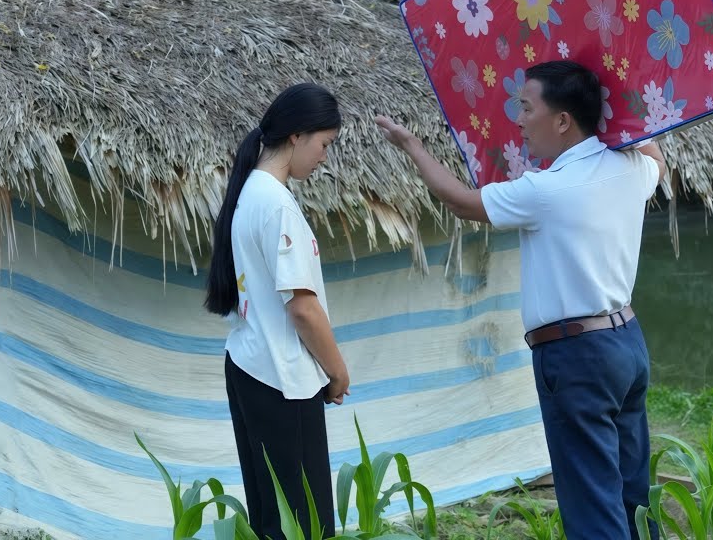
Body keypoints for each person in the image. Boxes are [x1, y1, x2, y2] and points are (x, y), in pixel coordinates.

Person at [375, 60, 666, 539]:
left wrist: (411, 146)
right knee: (632, 492)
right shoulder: (631, 170)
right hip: (627, 344)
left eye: (526, 108)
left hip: (577, 356)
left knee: (592, 500)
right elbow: (657, 158)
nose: (519, 120)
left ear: (562, 121)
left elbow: (459, 201)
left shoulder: (546, 190)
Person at [205, 82, 350, 540]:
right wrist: (338, 371)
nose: (324, 157)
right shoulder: (277, 205)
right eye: (324, 144)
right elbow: (302, 308)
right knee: (306, 523)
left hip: (251, 366)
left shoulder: (249, 192)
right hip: (283, 379)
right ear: (297, 136)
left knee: (271, 518)